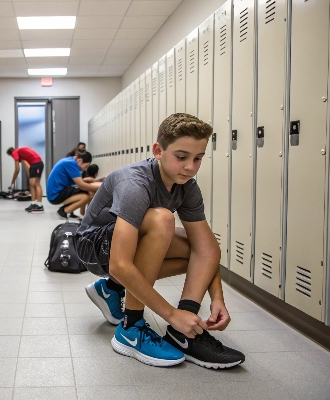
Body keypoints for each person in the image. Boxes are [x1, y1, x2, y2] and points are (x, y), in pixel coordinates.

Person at [76, 113, 245, 369]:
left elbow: (206, 248)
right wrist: (170, 315)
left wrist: (217, 298)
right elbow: (119, 265)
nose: (190, 167)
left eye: (198, 158)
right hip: (93, 246)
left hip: (123, 247)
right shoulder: (135, 183)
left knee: (198, 248)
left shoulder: (187, 186)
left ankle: (181, 334)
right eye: (181, 157)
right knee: (163, 219)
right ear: (158, 150)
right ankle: (130, 327)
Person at [47, 150, 101, 220]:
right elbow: (81, 185)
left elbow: (79, 181)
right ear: (80, 160)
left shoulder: (70, 160)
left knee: (84, 191)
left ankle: (72, 212)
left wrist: (96, 181)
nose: (86, 168)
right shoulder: (71, 164)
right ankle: (63, 211)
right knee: (85, 196)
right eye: (86, 166)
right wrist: (99, 188)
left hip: (56, 192)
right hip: (55, 195)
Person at [6, 146, 44, 213]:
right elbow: (28, 169)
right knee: (31, 184)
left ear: (11, 154)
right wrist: (30, 177)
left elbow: (17, 170)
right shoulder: (21, 152)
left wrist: (12, 183)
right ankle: (33, 204)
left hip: (36, 164)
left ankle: (39, 206)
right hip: (37, 164)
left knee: (36, 184)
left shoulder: (15, 153)